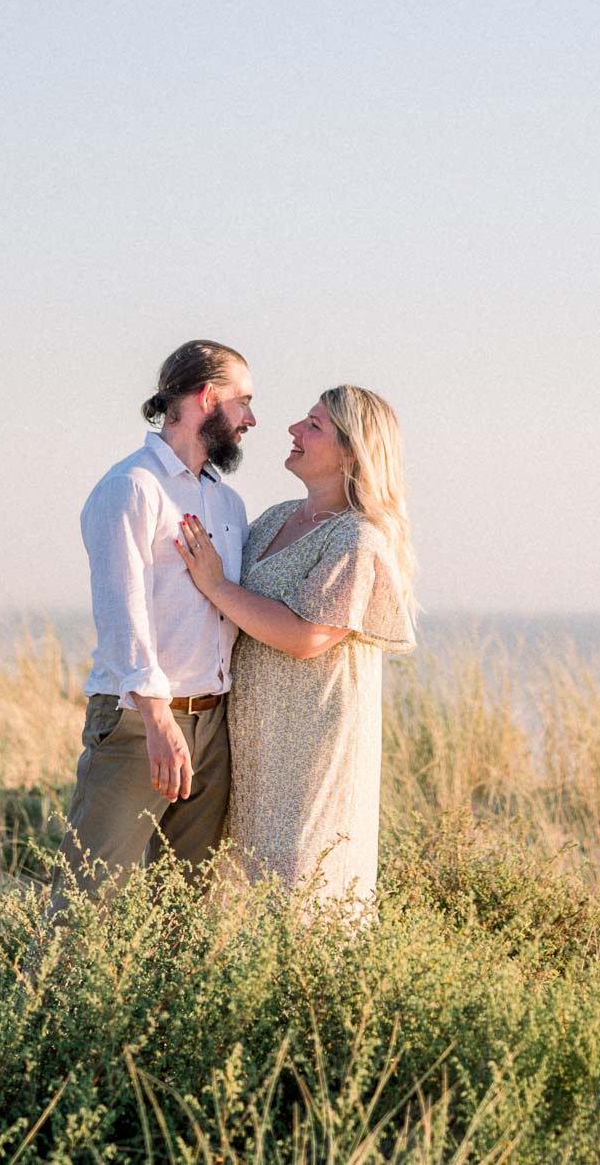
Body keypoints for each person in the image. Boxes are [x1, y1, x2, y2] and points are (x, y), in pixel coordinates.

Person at [175, 384, 414, 903]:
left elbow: (308, 637)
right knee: (246, 898)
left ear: (352, 451)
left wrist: (217, 586)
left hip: (312, 749)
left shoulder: (356, 537)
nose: (293, 430)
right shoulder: (274, 519)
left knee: (306, 892)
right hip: (255, 746)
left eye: (314, 425)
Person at [51, 339, 255, 899]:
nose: (251, 419)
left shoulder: (229, 505)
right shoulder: (131, 488)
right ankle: (56, 992)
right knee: (85, 905)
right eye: (243, 402)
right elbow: (123, 614)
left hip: (213, 728)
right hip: (142, 726)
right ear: (207, 396)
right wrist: (160, 721)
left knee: (183, 913)